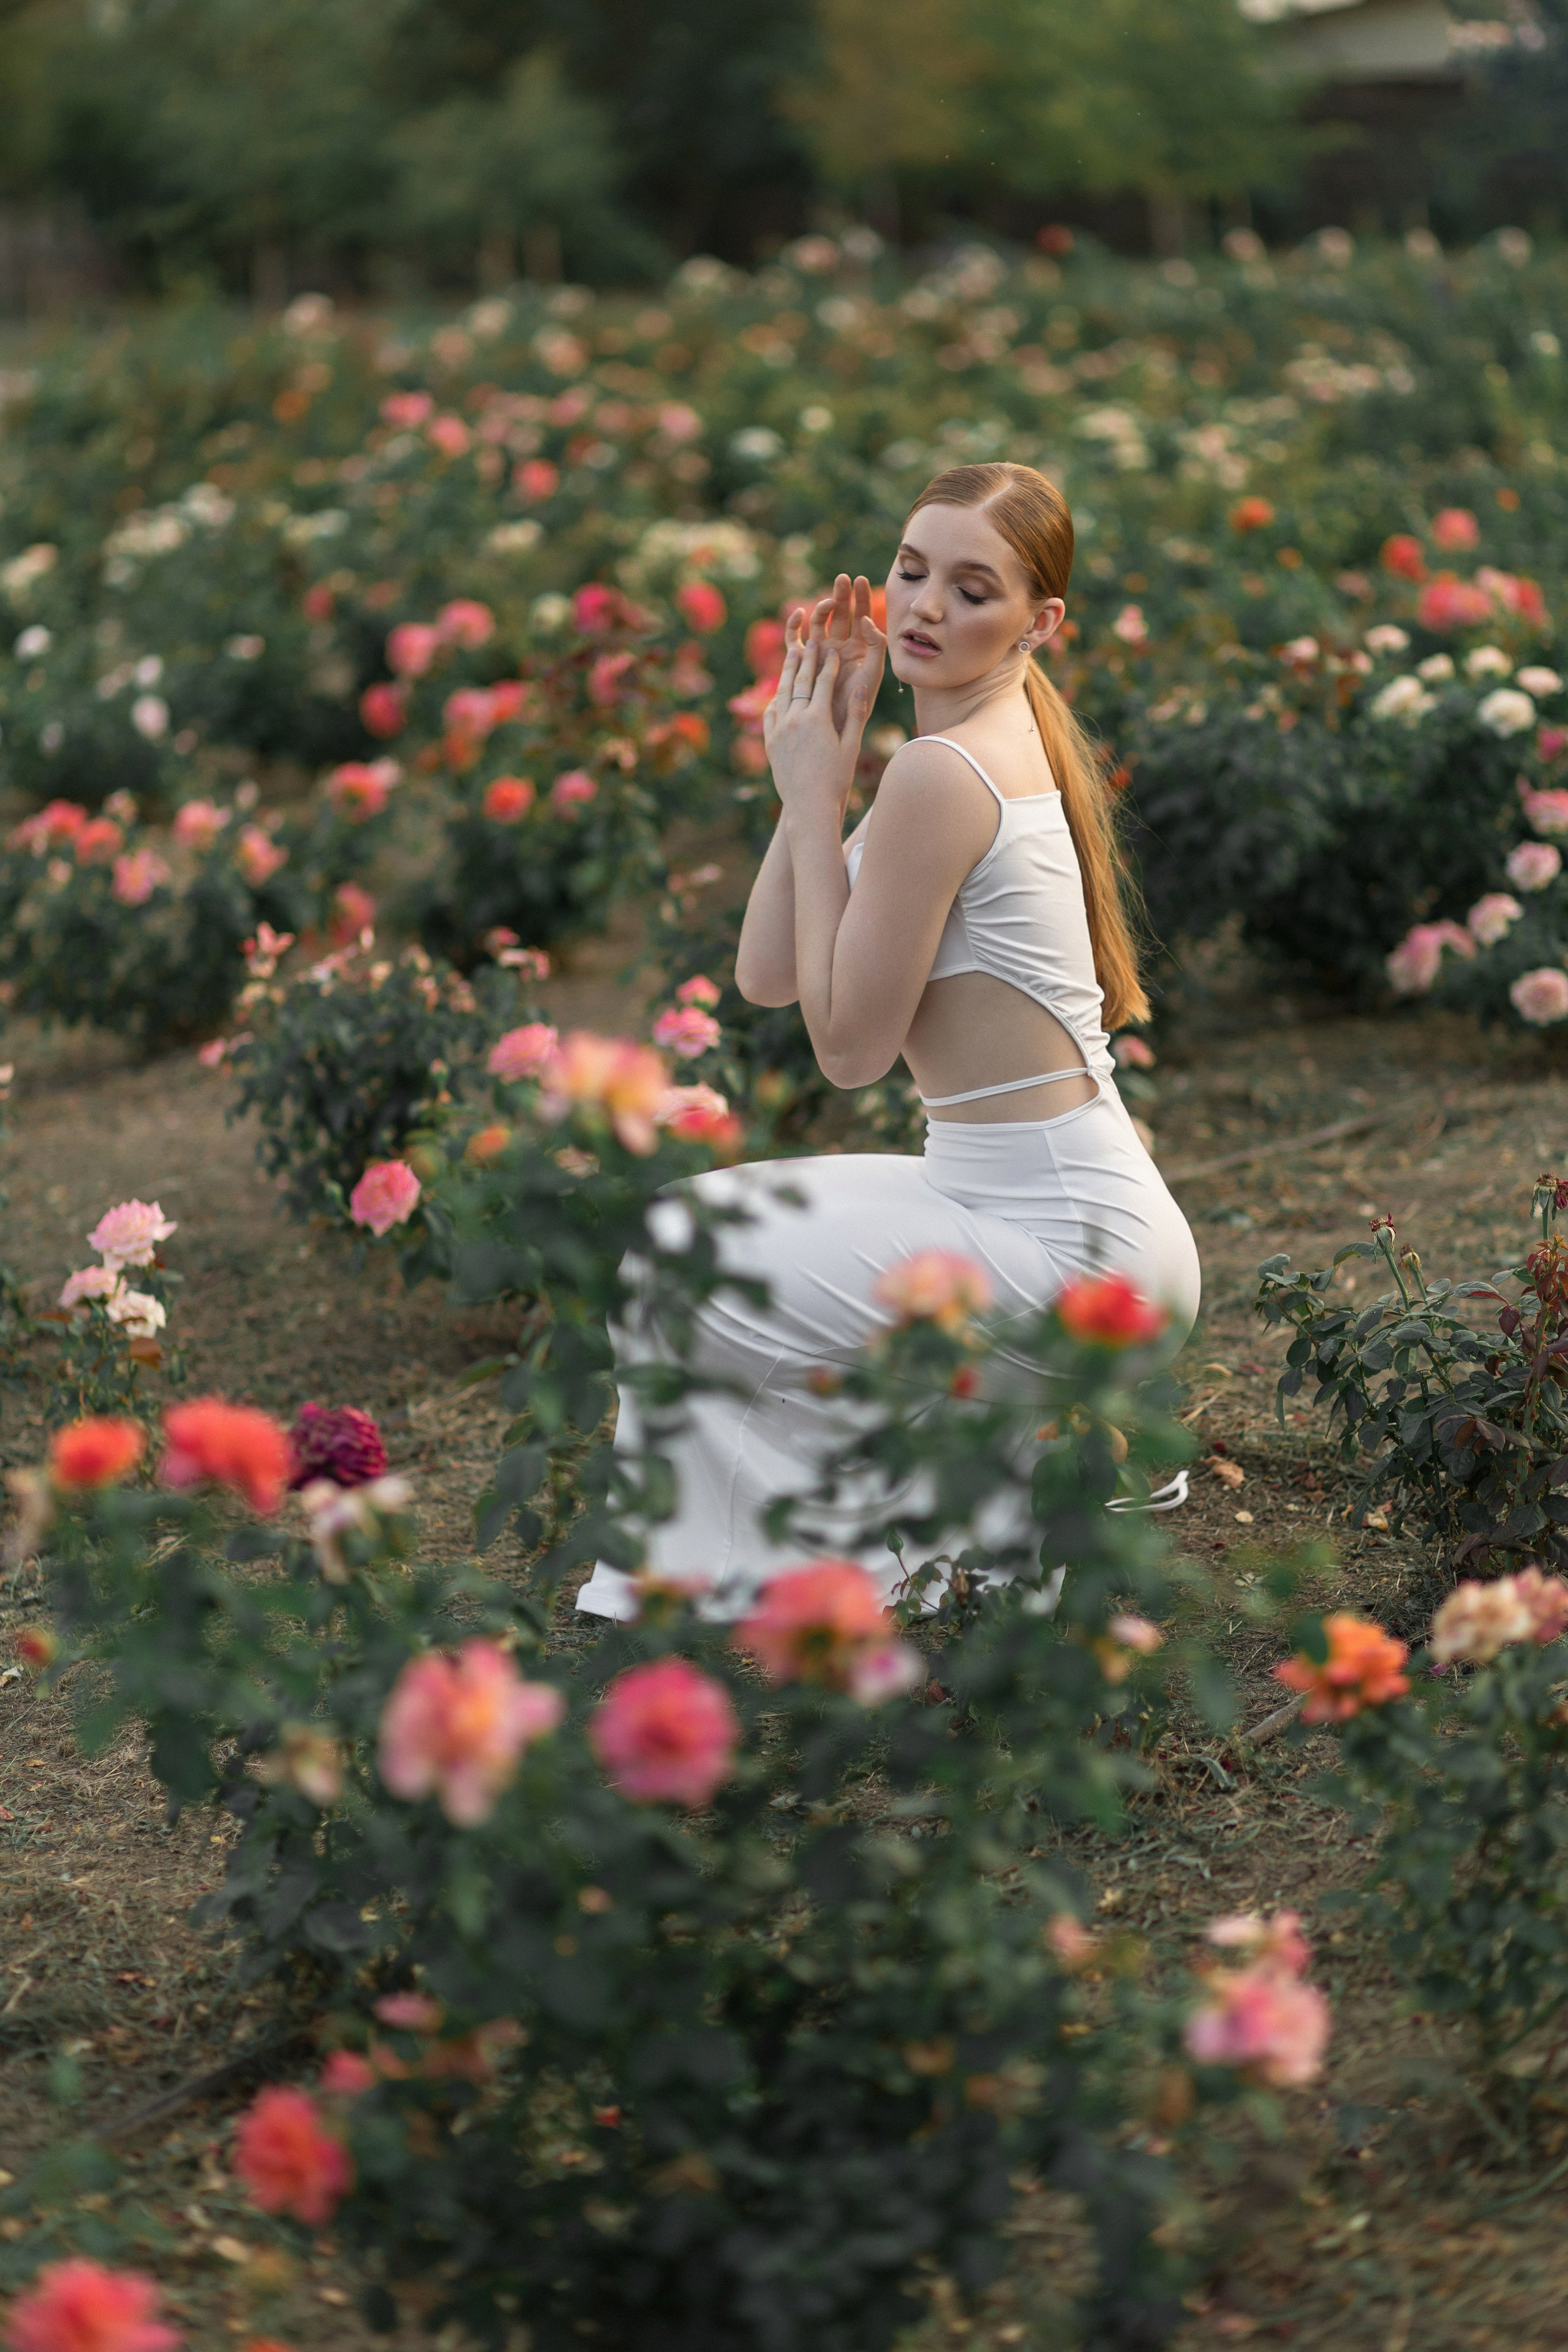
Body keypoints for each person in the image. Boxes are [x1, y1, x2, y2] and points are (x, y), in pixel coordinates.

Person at [575, 461, 1199, 1621]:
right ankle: (968, 1522)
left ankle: (863, 1563)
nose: (923, 608)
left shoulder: (944, 775)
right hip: (1041, 1217)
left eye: (973, 590)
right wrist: (821, 768)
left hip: (1067, 1246)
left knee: (679, 1256)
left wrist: (820, 797)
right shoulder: (946, 756)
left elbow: (849, 1051)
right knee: (697, 1238)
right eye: (911, 571)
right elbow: (768, 975)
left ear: (1040, 623)